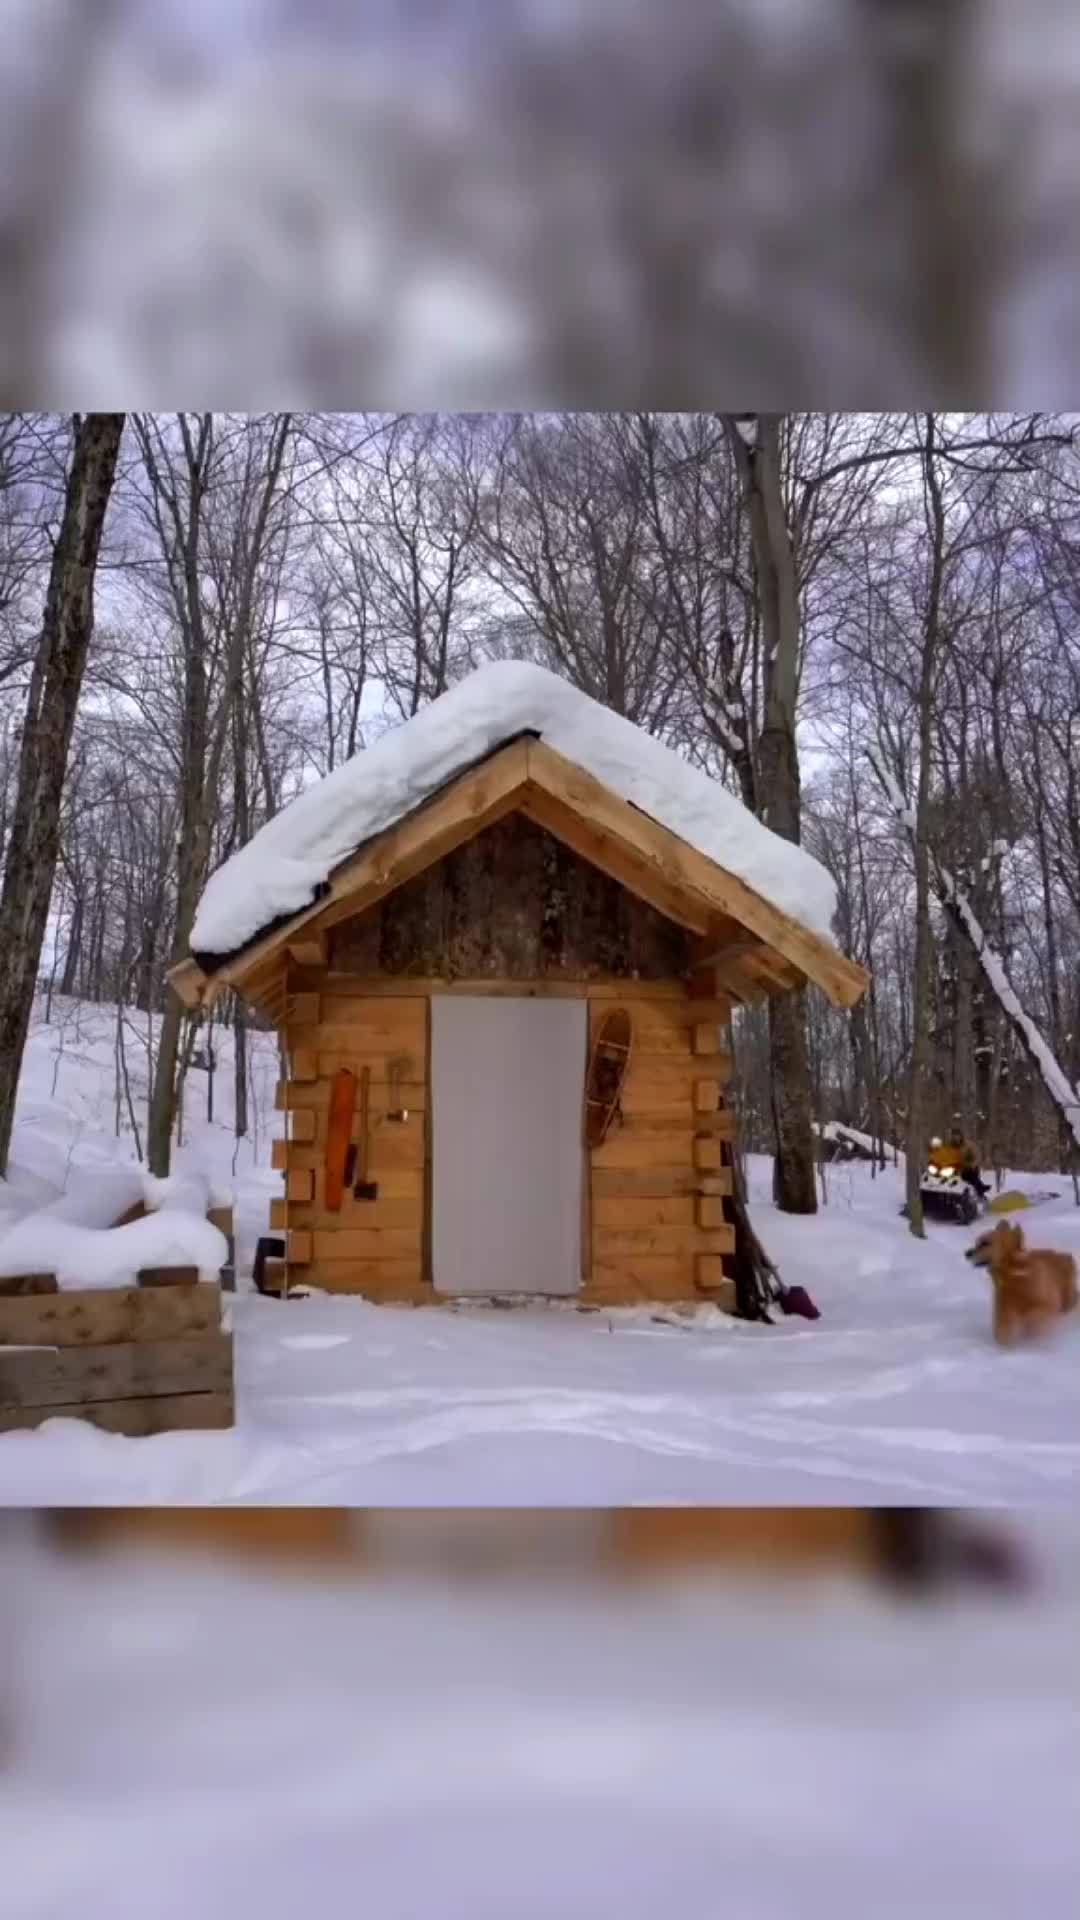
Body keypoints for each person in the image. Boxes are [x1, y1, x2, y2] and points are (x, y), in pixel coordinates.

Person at [929, 1125, 990, 1200]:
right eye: (954, 1136)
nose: (956, 1138)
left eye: (957, 1136)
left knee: (972, 1177)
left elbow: (976, 1156)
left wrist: (971, 1164)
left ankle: (980, 1190)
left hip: (967, 1168)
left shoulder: (967, 1145)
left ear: (961, 1136)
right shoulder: (949, 1146)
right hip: (953, 1169)